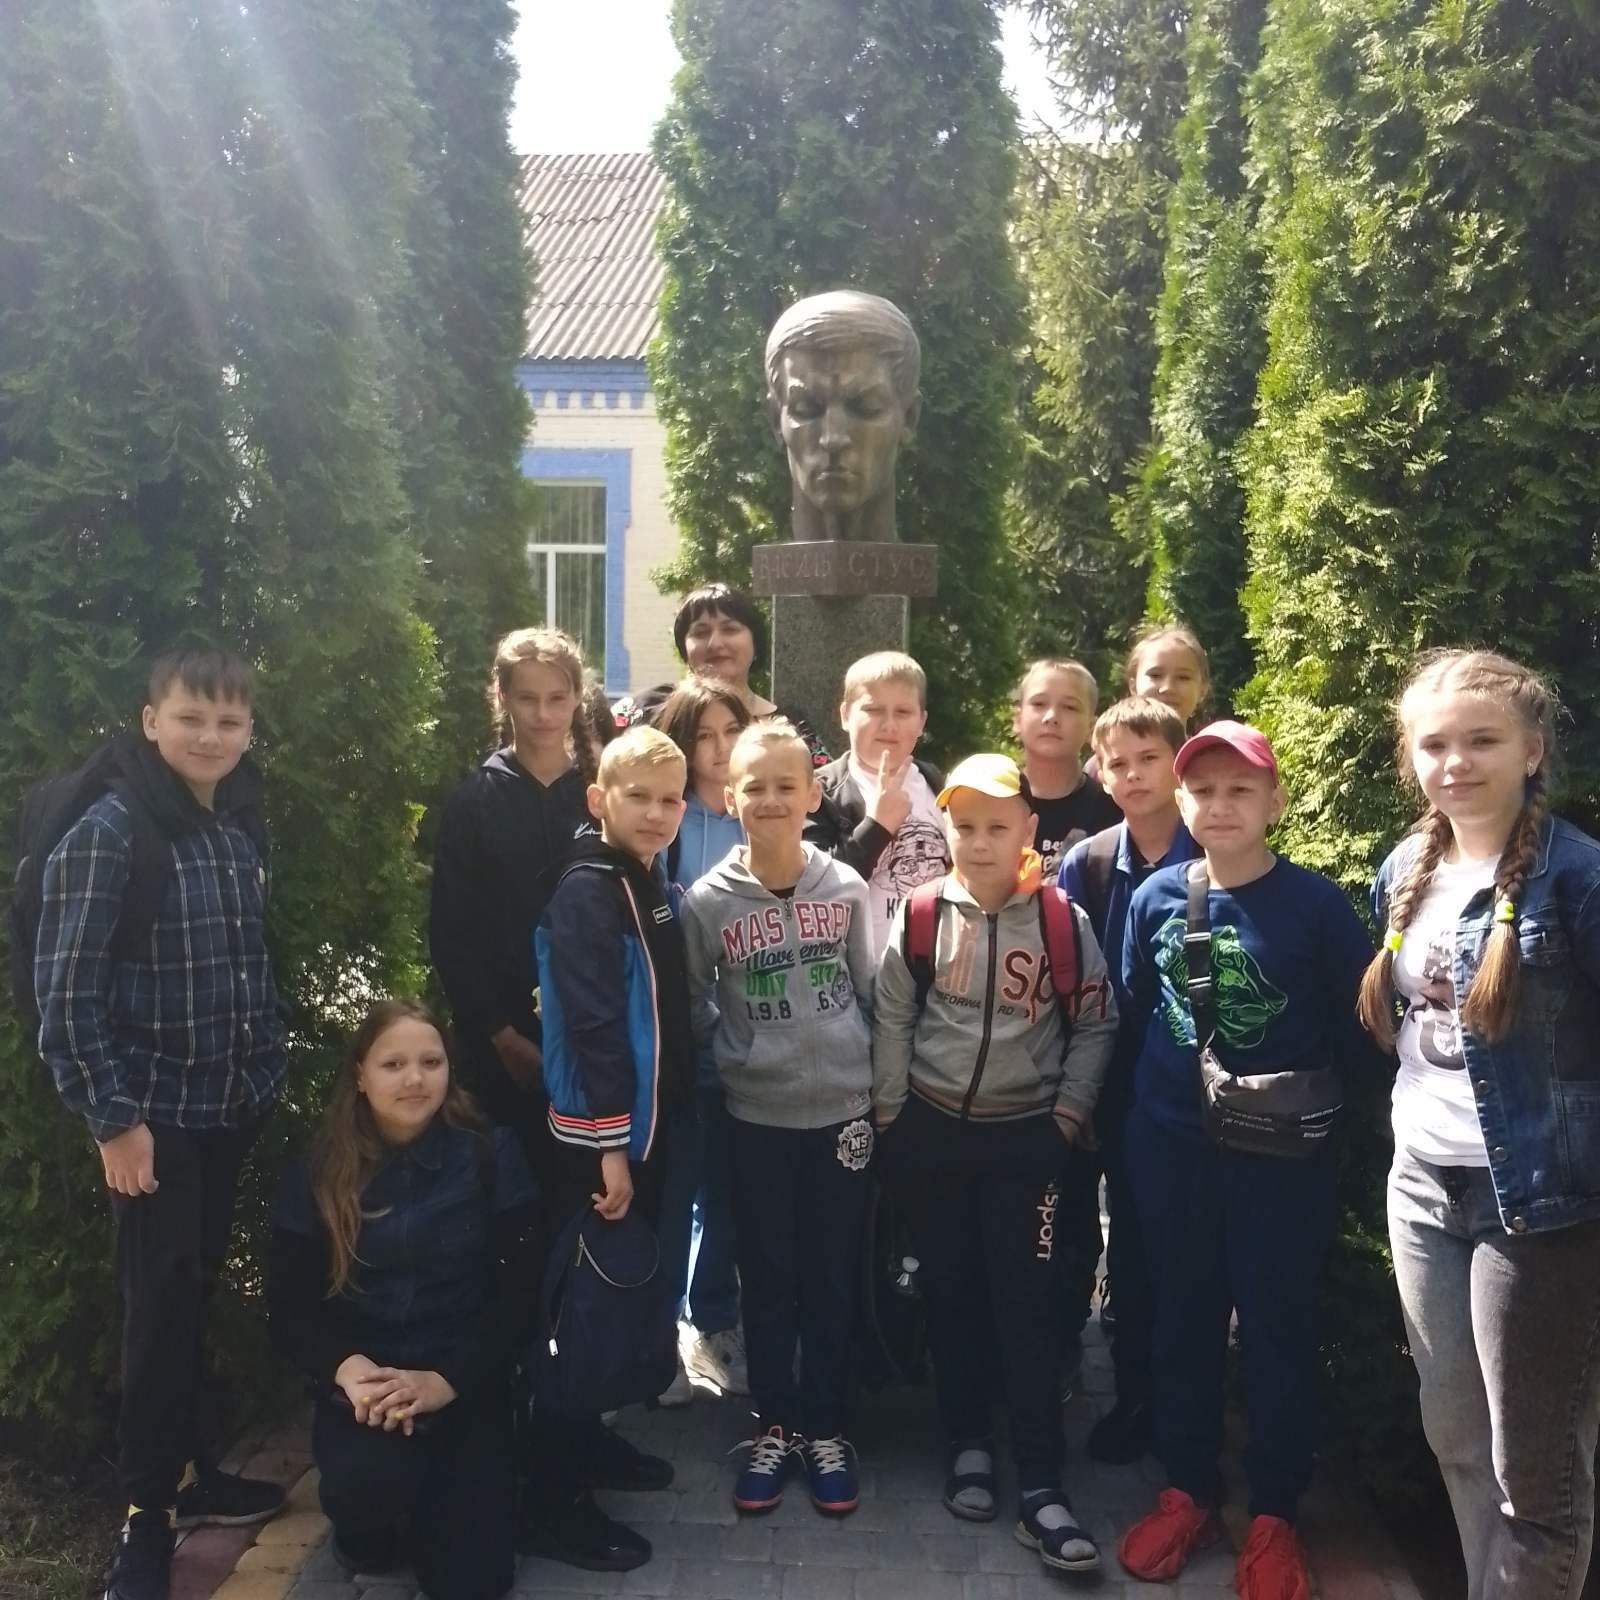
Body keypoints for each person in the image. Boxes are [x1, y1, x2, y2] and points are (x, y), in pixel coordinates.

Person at [34, 644, 288, 1600]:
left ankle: (193, 1475)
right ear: (150, 722)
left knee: (194, 1303)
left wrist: (266, 1066)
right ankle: (145, 1522)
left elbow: (247, 957)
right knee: (156, 1322)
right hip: (153, 1127)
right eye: (190, 718)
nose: (209, 736)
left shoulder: (236, 824)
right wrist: (114, 1121)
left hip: (226, 1113)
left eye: (228, 721)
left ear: (248, 730)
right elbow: (66, 1000)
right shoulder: (111, 831)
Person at [1359, 650, 1600, 1600]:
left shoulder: (1578, 879)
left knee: (1533, 1472)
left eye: (1482, 740)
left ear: (1532, 750)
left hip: (1535, 1206)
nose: (1455, 762)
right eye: (1434, 744)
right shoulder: (1404, 867)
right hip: (1422, 1187)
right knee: (1455, 1435)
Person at [1115, 721, 1373, 1600]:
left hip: (1281, 1163)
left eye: (1240, 790)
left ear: (1275, 801)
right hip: (1172, 1149)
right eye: (1203, 791)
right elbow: (1136, 1008)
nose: (1219, 806)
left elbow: (1357, 1031)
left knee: (1275, 1328)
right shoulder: (1155, 896)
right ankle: (1188, 1490)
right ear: (1181, 801)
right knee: (1181, 1319)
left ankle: (1274, 1513)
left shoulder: (1315, 906)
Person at [428, 628, 666, 1574]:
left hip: (592, 1069)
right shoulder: (475, 801)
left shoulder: (599, 790)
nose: (540, 713)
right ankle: (546, 1473)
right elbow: (454, 933)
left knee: (592, 1261)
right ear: (502, 699)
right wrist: (500, 1035)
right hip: (513, 1068)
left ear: (577, 699)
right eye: (523, 697)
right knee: (537, 1261)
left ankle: (587, 1427)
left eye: (556, 697)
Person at [872, 753, 1117, 1577]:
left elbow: (1096, 1023)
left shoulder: (1060, 921)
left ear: (1028, 832)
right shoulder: (919, 914)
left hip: (1026, 1141)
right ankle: (967, 1444)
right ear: (946, 830)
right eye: (965, 826)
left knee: (1029, 1306)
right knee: (952, 1295)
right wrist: (892, 1118)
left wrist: (1066, 1119)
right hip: (935, 1134)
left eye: (997, 827)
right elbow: (893, 1016)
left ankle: (1043, 1483)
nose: (980, 842)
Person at [268, 1002, 538, 1600]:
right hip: (369, 1391)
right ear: (361, 1075)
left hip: (462, 1378)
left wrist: (447, 1380)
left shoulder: (490, 1156)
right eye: (393, 1064)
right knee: (367, 1487)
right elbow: (287, 1311)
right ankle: (367, 1527)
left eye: (431, 1062)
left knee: (476, 1583)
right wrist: (350, 1371)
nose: (415, 1078)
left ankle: (447, 1499)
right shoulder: (318, 1172)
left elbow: (520, 1297)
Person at [681, 721, 877, 1517]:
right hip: (756, 1116)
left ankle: (824, 1427)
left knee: (831, 1274)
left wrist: (876, 1084)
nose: (769, 800)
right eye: (754, 786)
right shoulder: (707, 902)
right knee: (766, 1277)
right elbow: (692, 999)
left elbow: (873, 991)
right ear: (731, 797)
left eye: (785, 786)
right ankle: (773, 1425)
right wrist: (738, 1050)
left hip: (844, 1114)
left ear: (812, 795)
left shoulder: (847, 888)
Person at [1059, 696, 1196, 1464]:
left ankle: (1171, 1402)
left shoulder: (1207, 850)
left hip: (1180, 1081)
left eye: (1151, 759)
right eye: (1118, 763)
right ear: (1100, 774)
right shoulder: (1087, 862)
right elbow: (1072, 980)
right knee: (1114, 1245)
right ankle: (1128, 1391)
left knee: (1165, 1247)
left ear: (1179, 764)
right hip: (1108, 1078)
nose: (1135, 774)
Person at [651, 681, 752, 1404]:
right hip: (680, 1047)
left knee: (729, 1198)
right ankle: (658, 1338)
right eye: (702, 736)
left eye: (729, 733)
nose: (717, 750)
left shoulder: (761, 813)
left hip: (750, 1044)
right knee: (673, 1193)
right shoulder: (670, 822)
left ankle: (716, 1322)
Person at [805, 650, 947, 956]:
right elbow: (811, 890)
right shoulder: (818, 791)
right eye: (873, 709)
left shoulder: (937, 784)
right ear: (845, 715)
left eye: (903, 712)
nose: (889, 725)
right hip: (855, 972)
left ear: (922, 721)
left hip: (936, 968)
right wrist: (877, 826)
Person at [612, 584, 832, 768]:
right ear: (683, 648)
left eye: (730, 630)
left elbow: (825, 792)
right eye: (700, 633)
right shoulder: (648, 708)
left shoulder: (788, 727)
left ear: (756, 644)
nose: (715, 643)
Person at [1014, 658, 1121, 878]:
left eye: (1070, 707)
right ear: (1017, 719)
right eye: (1039, 704)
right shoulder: (991, 801)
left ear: (1091, 728)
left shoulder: (1115, 810)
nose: (1051, 717)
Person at [1124, 623, 1211, 730]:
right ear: (1133, 686)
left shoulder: (1218, 740)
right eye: (1155, 675)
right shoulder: (1111, 740)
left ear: (1202, 690)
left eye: (1183, 677)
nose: (1168, 688)